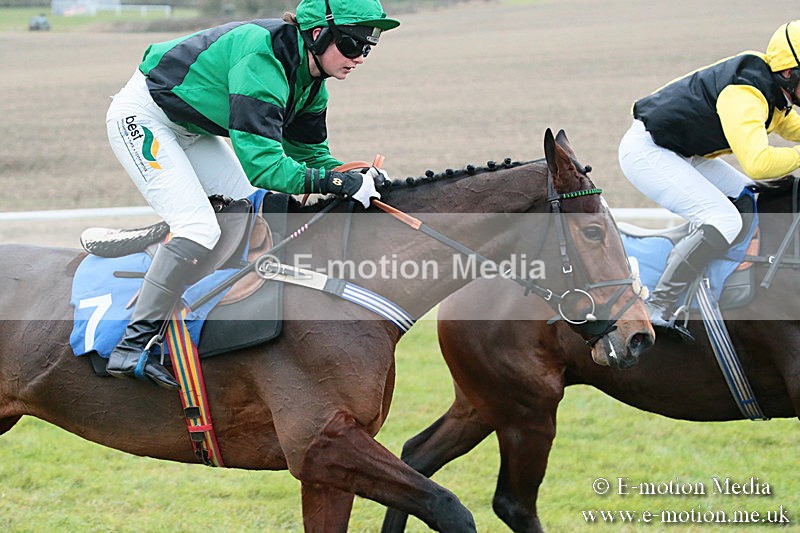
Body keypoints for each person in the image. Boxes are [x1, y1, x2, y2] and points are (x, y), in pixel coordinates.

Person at [105, 0, 399, 388]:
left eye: (367, 48)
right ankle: (132, 346)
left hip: (191, 129)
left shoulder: (312, 85)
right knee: (198, 228)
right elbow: (264, 167)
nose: (359, 57)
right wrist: (336, 184)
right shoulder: (262, 57)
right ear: (318, 34)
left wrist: (356, 175)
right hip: (144, 117)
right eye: (351, 44)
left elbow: (311, 156)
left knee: (259, 212)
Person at [619, 21, 800, 340]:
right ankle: (660, 303)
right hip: (648, 152)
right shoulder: (745, 95)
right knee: (724, 219)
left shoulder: (775, 93)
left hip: (680, 151)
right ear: (789, 72)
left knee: (750, 196)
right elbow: (759, 163)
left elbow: (792, 129)